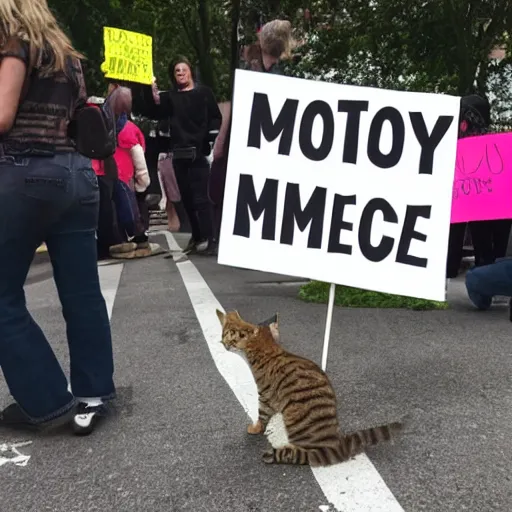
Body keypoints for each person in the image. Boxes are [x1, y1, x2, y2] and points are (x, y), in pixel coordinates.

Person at [0, 0, 115, 434]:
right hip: (78, 178)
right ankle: (93, 393)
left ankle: (46, 398)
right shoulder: (66, 55)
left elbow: (3, 115)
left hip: (26, 176)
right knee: (83, 292)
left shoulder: (16, 44)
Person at [132, 57, 222, 255]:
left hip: (198, 152)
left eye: (184, 69)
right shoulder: (171, 97)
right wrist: (147, 88)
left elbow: (216, 117)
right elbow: (150, 111)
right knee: (187, 198)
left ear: (190, 71)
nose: (180, 73)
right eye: (176, 71)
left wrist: (208, 141)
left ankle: (212, 239)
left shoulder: (204, 93)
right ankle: (197, 236)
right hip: (179, 154)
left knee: (202, 198)